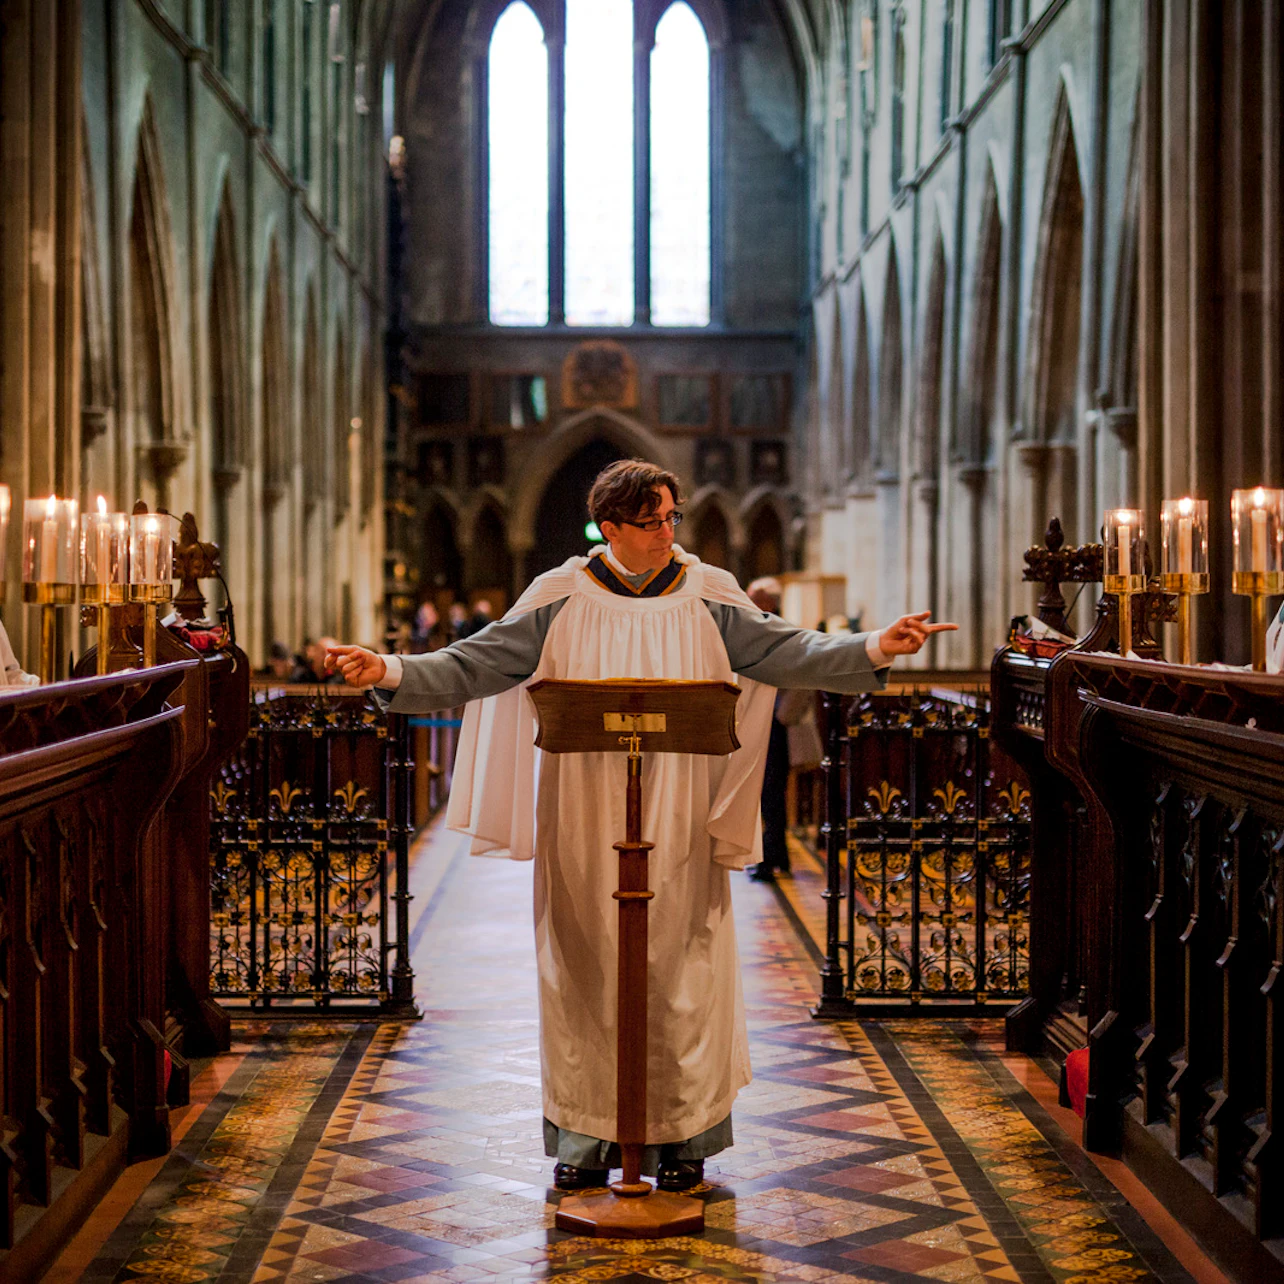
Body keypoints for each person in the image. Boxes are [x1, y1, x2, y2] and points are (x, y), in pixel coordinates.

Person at [327, 460, 955, 1193]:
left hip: (681, 809)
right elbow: (477, 663)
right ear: (612, 527)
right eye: (654, 520)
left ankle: (684, 1139)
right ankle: (585, 1139)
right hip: (584, 810)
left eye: (672, 517)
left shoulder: (709, 593)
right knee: (585, 967)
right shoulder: (559, 596)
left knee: (681, 967)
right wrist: (389, 669)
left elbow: (785, 649)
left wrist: (877, 646)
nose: (669, 531)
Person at [744, 577, 822, 882]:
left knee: (771, 793)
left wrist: (780, 717)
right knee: (766, 794)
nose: (748, 603)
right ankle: (775, 857)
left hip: (778, 728)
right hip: (763, 723)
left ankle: (772, 859)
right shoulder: (757, 630)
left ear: (769, 602)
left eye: (754, 598)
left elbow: (805, 677)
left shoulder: (784, 632)